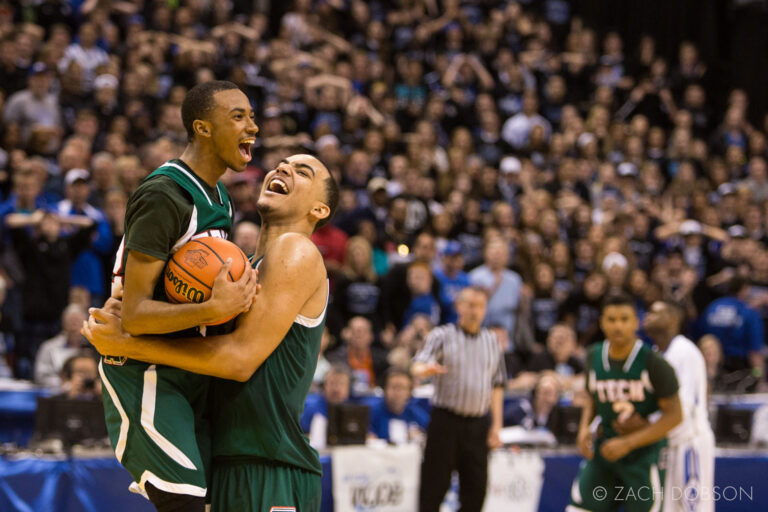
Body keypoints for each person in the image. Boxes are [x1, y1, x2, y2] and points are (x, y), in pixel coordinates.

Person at [84, 153, 338, 511]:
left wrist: (129, 344)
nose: (283, 168)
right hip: (223, 460)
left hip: (270, 464)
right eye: (282, 163)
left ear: (319, 210)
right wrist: (134, 313)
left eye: (302, 171)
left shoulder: (297, 251)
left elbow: (239, 360)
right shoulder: (240, 271)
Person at [97, 81, 260, 511]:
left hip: (190, 363)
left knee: (210, 502)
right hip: (143, 368)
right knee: (184, 503)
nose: (253, 127)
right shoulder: (163, 194)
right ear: (203, 128)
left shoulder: (220, 197)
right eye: (239, 117)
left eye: (253, 116)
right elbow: (132, 314)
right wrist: (214, 307)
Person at [567, 293, 682, 512]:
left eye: (624, 319)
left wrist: (628, 443)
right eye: (611, 319)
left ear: (636, 323)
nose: (618, 326)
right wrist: (584, 428)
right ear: (601, 322)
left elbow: (675, 416)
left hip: (643, 455)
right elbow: (592, 396)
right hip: (606, 448)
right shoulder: (593, 356)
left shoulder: (654, 363)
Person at [412, 286, 506, 512]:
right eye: (471, 305)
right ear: (459, 306)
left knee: (476, 490)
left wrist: (497, 425)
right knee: (434, 487)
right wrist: (424, 370)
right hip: (446, 422)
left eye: (480, 306)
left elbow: (498, 385)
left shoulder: (492, 341)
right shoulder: (441, 335)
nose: (475, 311)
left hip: (478, 424)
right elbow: (417, 364)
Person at [641, 300, 715, 512]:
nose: (648, 315)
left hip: (688, 441)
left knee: (693, 507)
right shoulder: (655, 353)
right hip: (665, 443)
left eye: (656, 312)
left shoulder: (685, 351)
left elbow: (684, 407)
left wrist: (646, 426)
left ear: (673, 319)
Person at [368, 367, 429, 445]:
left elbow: (431, 434)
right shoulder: (372, 413)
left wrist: (419, 436)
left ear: (409, 392)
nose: (397, 393)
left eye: (402, 388)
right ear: (384, 389)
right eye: (394, 387)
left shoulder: (415, 413)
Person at [34, 304, 88, 388]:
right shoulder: (48, 347)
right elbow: (40, 376)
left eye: (77, 322)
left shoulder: (91, 348)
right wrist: (65, 385)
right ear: (64, 324)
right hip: (57, 396)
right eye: (71, 321)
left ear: (85, 325)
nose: (74, 326)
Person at [301, 363, 352, 450]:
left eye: (341, 384)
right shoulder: (311, 408)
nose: (336, 389)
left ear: (348, 389)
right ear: (324, 386)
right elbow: (300, 435)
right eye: (332, 383)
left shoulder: (352, 411)